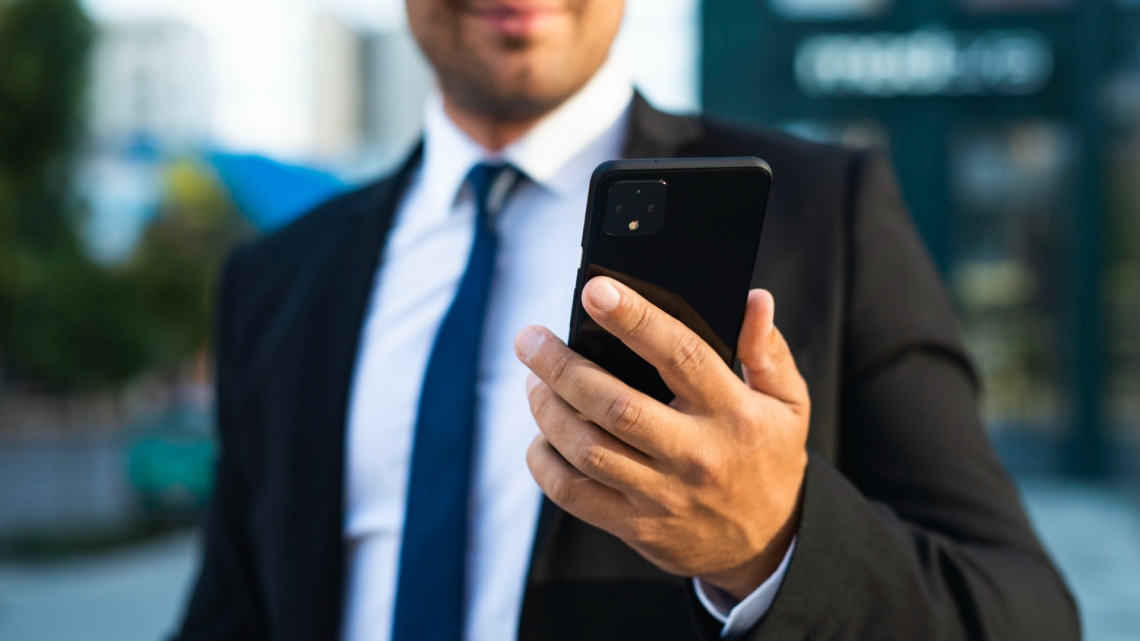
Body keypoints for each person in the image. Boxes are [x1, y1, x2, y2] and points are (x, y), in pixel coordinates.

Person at [175, 1, 1079, 640]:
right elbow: (233, 610)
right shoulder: (276, 275)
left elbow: (1022, 613)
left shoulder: (823, 210)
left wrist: (771, 543)